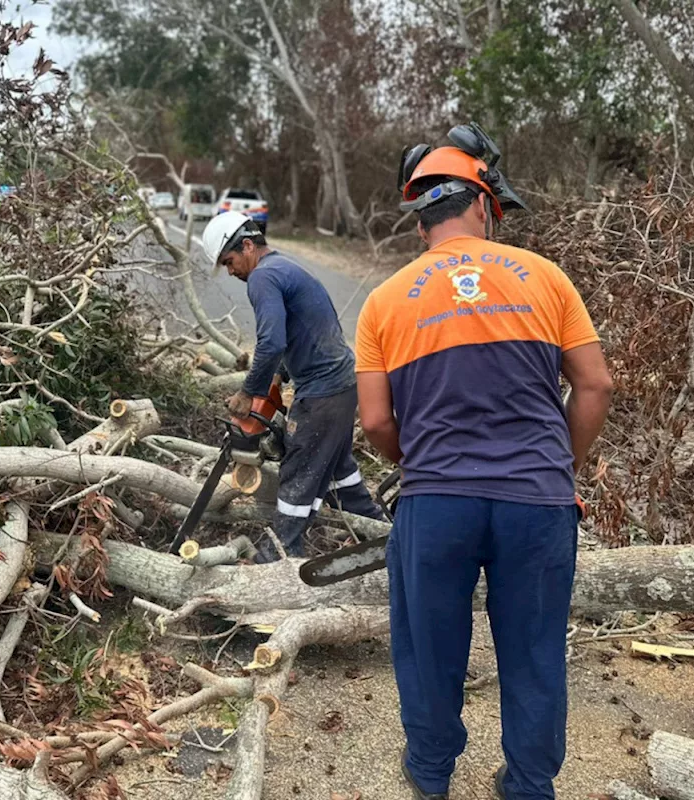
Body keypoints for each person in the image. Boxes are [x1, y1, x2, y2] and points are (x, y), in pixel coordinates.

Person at [354, 127, 613, 800]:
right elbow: (595, 385)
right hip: (537, 503)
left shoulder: (384, 302)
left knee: (430, 650)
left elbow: (377, 420)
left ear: (422, 222)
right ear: (481, 204)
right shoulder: (547, 278)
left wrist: (422, 466)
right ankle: (527, 784)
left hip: (437, 503)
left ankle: (432, 773)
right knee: (534, 652)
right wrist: (563, 468)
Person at [201, 210, 383, 562]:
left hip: (323, 391)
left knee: (298, 472)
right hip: (343, 384)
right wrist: (277, 376)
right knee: (336, 469)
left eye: (230, 261)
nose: (231, 270)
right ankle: (379, 531)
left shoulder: (262, 278)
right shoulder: (283, 266)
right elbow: (297, 332)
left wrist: (248, 393)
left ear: (249, 246)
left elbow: (270, 342)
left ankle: (279, 556)